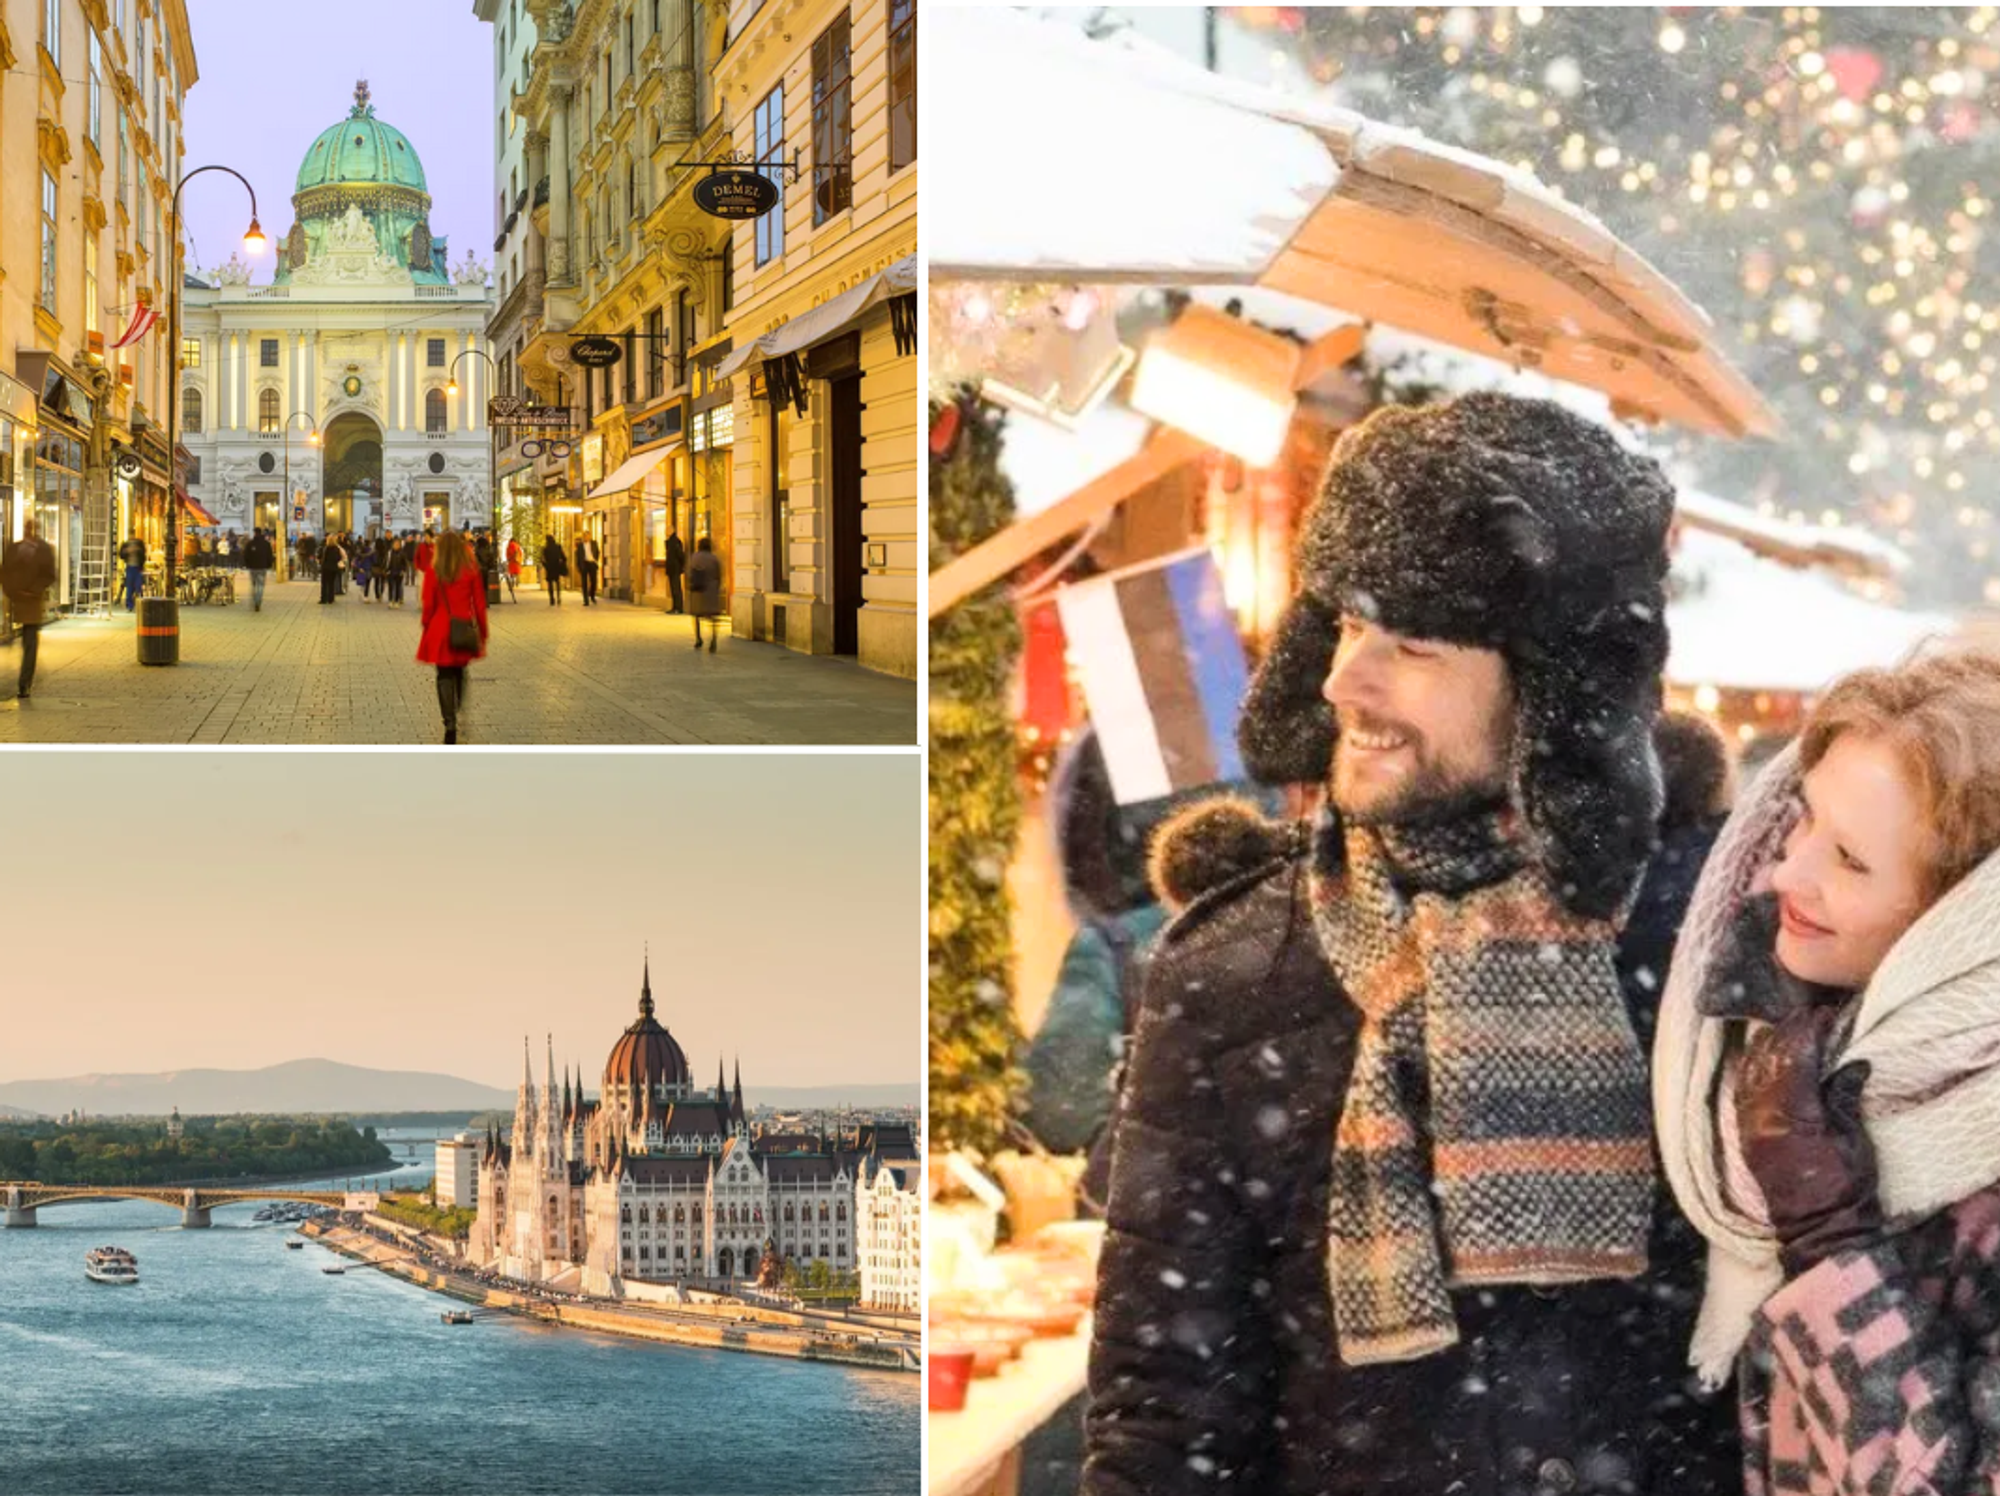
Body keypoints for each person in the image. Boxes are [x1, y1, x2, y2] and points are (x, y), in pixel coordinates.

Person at [1081, 394, 1739, 1496]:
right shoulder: (1233, 971)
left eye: (1411, 644)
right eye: (1341, 624)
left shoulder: (1710, 940)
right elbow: (1164, 1412)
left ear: (1550, 685)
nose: (1346, 679)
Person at [1655, 646, 2000, 1496]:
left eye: (1850, 860)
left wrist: (1833, 1247)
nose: (1785, 870)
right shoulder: (1731, 1055)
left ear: (1958, 924)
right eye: (1805, 819)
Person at [416, 528, 489, 745]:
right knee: (460, 670)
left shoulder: (434, 570)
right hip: (463, 627)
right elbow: (479, 603)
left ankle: (449, 721)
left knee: (443, 675)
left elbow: (428, 604)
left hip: (440, 629)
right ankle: (456, 705)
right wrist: (483, 631)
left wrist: (426, 624)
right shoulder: (470, 569)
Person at [1, 517, 58, 701]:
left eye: (32, 527)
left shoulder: (43, 551)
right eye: (27, 527)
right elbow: (4, 572)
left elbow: (49, 575)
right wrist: (12, 591)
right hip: (17, 600)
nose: (29, 530)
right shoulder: (14, 549)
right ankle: (24, 681)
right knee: (27, 640)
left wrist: (33, 591)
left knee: (30, 641)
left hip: (32, 601)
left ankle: (24, 683)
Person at [687, 536, 721, 652]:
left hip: (698, 590)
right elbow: (719, 574)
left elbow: (689, 572)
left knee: (696, 615)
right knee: (713, 617)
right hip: (711, 590)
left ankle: (698, 638)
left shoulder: (695, 557)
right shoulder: (714, 558)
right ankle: (713, 639)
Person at [244, 527, 276, 612]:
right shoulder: (266, 544)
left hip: (253, 568)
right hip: (262, 567)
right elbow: (270, 556)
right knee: (261, 585)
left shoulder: (250, 543)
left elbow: (246, 556)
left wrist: (247, 565)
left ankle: (255, 599)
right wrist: (269, 565)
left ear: (254, 533)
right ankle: (258, 601)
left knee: (254, 585)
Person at [118, 533, 147, 612]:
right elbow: (121, 555)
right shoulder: (126, 544)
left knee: (138, 586)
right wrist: (127, 551)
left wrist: (138, 550)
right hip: (130, 567)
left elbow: (143, 554)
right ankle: (130, 605)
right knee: (130, 587)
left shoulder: (139, 544)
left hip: (137, 568)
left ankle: (140, 604)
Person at [541, 533, 568, 606]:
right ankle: (559, 597)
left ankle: (552, 599)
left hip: (550, 568)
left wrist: (546, 566)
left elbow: (543, 560)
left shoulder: (546, 549)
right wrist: (562, 563)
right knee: (557, 582)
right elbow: (564, 557)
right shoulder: (558, 547)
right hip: (557, 567)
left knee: (550, 584)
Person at [664, 528, 686, 614]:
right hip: (673, 568)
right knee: (674, 589)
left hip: (674, 568)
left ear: (672, 531)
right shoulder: (671, 542)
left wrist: (681, 565)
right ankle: (675, 607)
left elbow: (680, 555)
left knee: (676, 589)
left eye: (668, 530)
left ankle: (678, 607)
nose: (666, 532)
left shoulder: (675, 542)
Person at [319, 533, 344, 605]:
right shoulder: (337, 549)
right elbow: (339, 558)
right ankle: (331, 599)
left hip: (326, 568)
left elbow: (322, 558)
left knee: (324, 584)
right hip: (333, 568)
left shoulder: (325, 548)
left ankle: (324, 599)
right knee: (331, 584)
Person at [576, 532, 600, 606]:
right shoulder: (580, 545)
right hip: (584, 564)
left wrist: (595, 559)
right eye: (584, 536)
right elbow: (578, 556)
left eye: (587, 536)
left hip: (592, 563)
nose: (586, 538)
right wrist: (579, 566)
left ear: (590, 537)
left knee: (593, 581)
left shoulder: (594, 543)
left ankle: (592, 595)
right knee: (584, 582)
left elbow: (598, 552)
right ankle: (585, 600)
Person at [385, 538, 410, 609]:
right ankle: (390, 600)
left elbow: (404, 563)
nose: (396, 546)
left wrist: (403, 570)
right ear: (392, 545)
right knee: (391, 587)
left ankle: (396, 601)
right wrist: (387, 570)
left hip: (399, 572)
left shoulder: (402, 553)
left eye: (398, 544)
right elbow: (387, 562)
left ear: (400, 545)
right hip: (391, 571)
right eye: (395, 544)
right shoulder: (390, 553)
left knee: (397, 587)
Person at [373, 533, 391, 602]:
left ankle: (377, 595)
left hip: (376, 568)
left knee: (376, 582)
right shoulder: (385, 551)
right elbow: (386, 559)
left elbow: (373, 559)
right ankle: (381, 593)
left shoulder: (375, 551)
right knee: (382, 582)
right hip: (383, 568)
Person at [504, 535, 522, 603]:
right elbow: (520, 553)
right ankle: (516, 583)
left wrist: (509, 558)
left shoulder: (509, 545)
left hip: (511, 560)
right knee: (516, 572)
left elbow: (508, 553)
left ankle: (513, 583)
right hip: (516, 561)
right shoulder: (517, 545)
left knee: (512, 573)